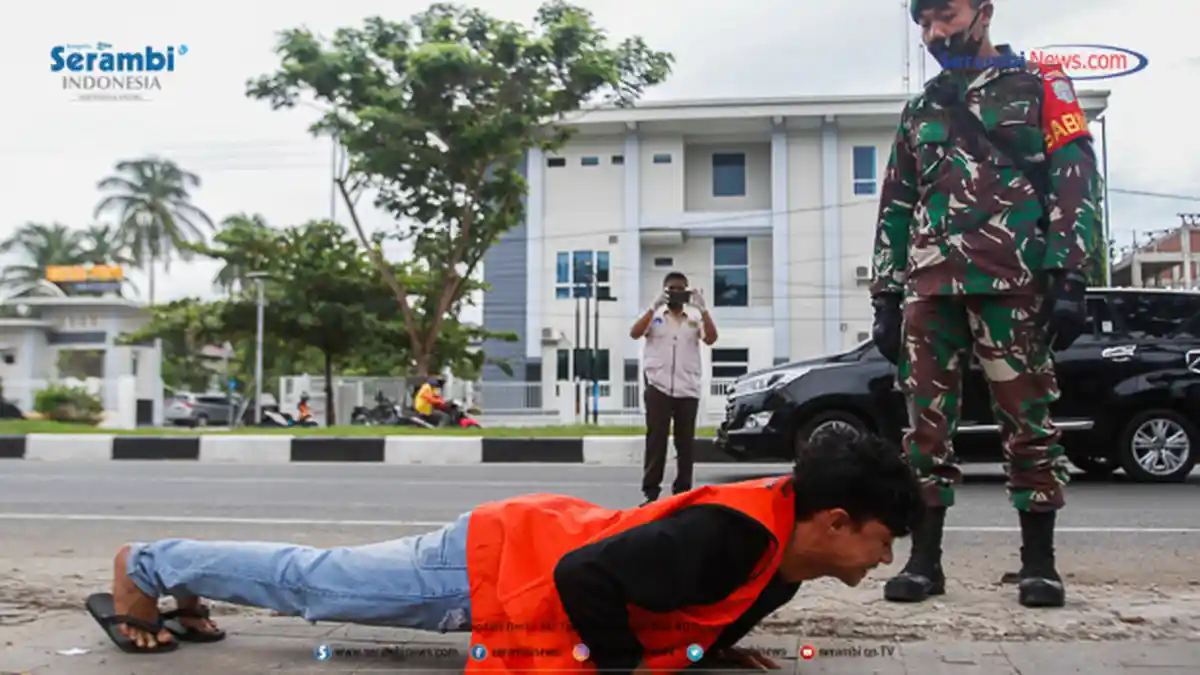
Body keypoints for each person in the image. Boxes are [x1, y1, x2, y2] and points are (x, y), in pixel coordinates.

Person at [85, 428, 923, 674]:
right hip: (493, 563)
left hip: (528, 546)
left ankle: (181, 580)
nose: (883, 560)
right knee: (320, 586)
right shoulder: (733, 535)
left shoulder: (785, 555)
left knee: (319, 581)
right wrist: (622, 668)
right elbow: (584, 575)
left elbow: (695, 610)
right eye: (885, 541)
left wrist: (711, 656)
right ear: (839, 519)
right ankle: (148, 565)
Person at [870, 0, 1100, 609]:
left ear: (984, 11)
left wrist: (1070, 275)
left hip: (1014, 282)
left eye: (943, 15)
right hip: (930, 287)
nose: (933, 32)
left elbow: (1075, 175)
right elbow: (897, 202)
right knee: (924, 428)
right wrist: (886, 294)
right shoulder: (921, 107)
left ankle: (1039, 566)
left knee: (1029, 426)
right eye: (922, 23)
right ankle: (924, 562)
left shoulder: (1043, 85)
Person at [628, 271, 718, 506]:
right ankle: (650, 492)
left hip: (687, 388)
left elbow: (711, 339)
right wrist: (652, 306)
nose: (676, 293)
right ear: (664, 292)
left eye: (681, 288)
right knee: (656, 439)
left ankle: (682, 492)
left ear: (687, 291)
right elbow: (635, 333)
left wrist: (704, 310)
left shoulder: (694, 318)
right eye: (671, 289)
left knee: (685, 442)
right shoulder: (655, 316)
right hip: (658, 387)